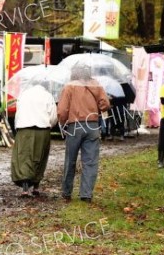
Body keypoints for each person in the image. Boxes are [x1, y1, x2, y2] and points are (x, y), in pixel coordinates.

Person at [57, 65, 110, 203]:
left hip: (74, 125)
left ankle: (67, 192)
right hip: (92, 125)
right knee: (90, 161)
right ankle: (86, 194)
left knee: (70, 160)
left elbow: (62, 110)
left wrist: (62, 123)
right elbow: (105, 104)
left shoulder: (69, 86)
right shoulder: (96, 85)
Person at [11, 82, 58, 197]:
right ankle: (36, 186)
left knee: (24, 157)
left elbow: (18, 114)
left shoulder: (23, 95)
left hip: (24, 129)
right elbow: (53, 116)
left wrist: (18, 127)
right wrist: (49, 125)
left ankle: (25, 188)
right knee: (39, 156)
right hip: (42, 129)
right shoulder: (47, 96)